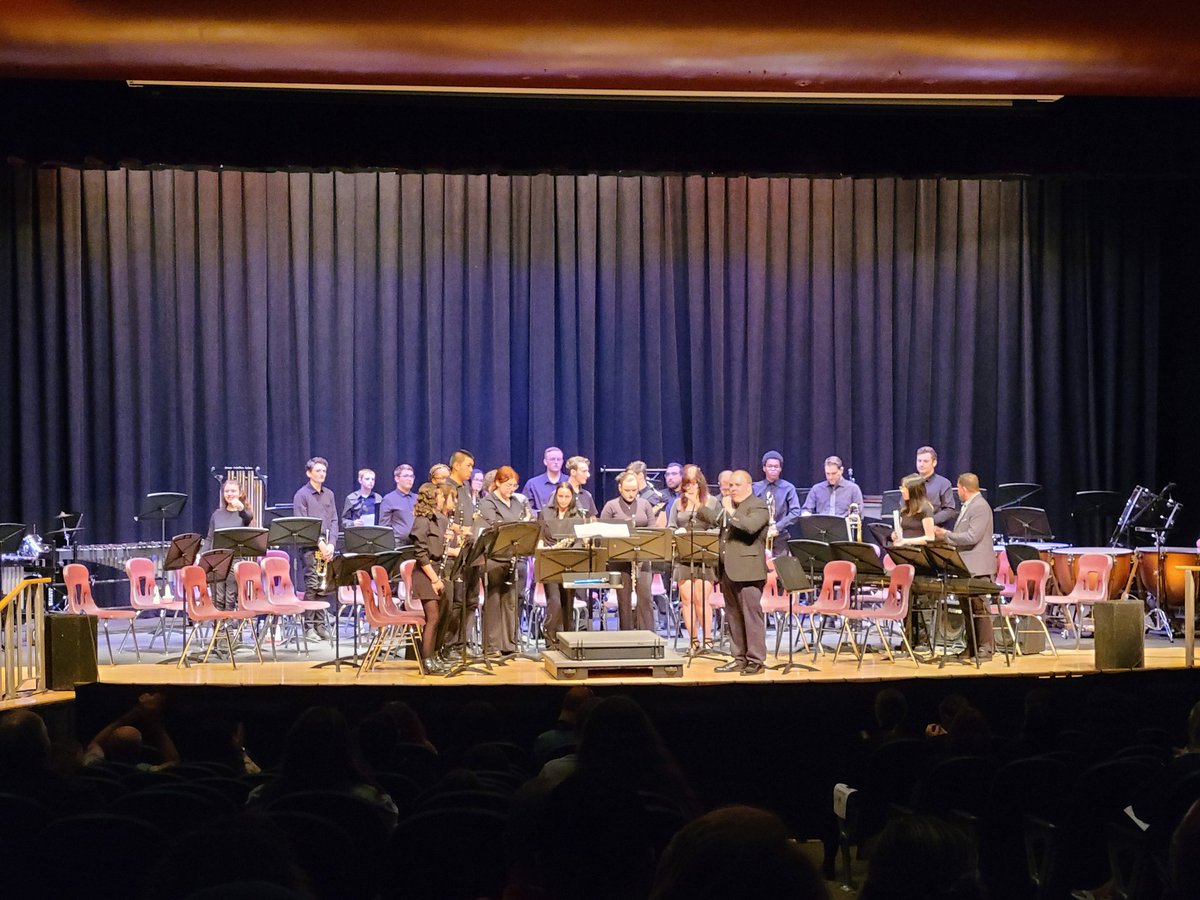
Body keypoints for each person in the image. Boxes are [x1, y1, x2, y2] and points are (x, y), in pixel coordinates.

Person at [934, 472, 997, 661]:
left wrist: (945, 534)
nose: (957, 492)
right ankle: (971, 647)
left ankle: (986, 648)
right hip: (965, 566)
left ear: (962, 488)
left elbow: (972, 537)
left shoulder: (980, 506)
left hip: (978, 567)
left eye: (958, 488)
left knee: (979, 608)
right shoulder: (969, 506)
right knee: (967, 608)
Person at [715, 470, 770, 675]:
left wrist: (729, 510)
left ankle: (755, 660)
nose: (732, 489)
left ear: (749, 486)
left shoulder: (758, 506)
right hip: (728, 570)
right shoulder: (731, 508)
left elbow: (749, 527)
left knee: (751, 616)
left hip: (749, 571)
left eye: (737, 485)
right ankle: (738, 658)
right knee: (733, 616)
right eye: (730, 486)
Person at [477, 465, 532, 657]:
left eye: (515, 485)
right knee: (493, 601)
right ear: (498, 483)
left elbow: (525, 523)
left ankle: (509, 644)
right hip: (494, 559)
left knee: (511, 602)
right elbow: (493, 527)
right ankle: (492, 646)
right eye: (508, 485)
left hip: (514, 558)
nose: (512, 489)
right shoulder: (488, 502)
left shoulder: (517, 502)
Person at [668, 464, 720, 654]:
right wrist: (677, 533)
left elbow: (718, 526)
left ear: (700, 483)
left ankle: (708, 640)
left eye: (693, 483)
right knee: (687, 600)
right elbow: (671, 526)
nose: (689, 487)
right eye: (686, 483)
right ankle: (694, 641)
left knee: (701, 599)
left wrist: (706, 536)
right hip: (683, 555)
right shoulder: (677, 503)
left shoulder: (712, 502)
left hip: (704, 555)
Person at [410, 481, 458, 674]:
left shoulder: (439, 520)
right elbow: (420, 554)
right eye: (439, 495)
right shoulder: (421, 521)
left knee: (442, 616)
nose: (442, 498)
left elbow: (439, 547)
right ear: (431, 497)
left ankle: (436, 654)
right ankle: (426, 661)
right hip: (425, 574)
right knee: (433, 617)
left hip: (439, 570)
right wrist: (435, 580)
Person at [600, 470, 658, 630]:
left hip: (642, 556)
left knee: (645, 596)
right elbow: (602, 532)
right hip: (620, 558)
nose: (631, 494)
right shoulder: (611, 506)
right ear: (620, 488)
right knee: (623, 599)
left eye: (634, 490)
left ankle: (647, 633)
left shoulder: (645, 504)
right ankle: (626, 634)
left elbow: (653, 529)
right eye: (627, 490)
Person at [437, 449, 481, 655]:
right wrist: (458, 530)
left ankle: (464, 643)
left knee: (471, 601)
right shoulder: (447, 488)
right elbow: (440, 517)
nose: (471, 470)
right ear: (456, 466)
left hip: (470, 552)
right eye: (468, 466)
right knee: (457, 602)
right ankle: (450, 644)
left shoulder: (466, 489)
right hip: (453, 554)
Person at [292, 456, 338, 640]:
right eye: (318, 471)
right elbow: (303, 524)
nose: (322, 474)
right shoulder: (301, 495)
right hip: (311, 548)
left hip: (327, 547)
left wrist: (332, 544)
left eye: (324, 471)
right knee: (311, 586)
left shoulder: (329, 494)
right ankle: (308, 628)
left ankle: (320, 626)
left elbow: (334, 520)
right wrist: (321, 544)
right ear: (309, 473)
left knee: (323, 586)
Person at [538, 481, 588, 642]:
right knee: (555, 600)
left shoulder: (577, 517)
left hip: (569, 563)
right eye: (560, 496)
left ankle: (566, 639)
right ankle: (550, 636)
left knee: (568, 602)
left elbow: (579, 542)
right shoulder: (545, 513)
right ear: (555, 496)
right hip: (549, 561)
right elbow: (539, 537)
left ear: (572, 497)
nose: (563, 500)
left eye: (567, 496)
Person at [205, 478, 255, 612]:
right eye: (226, 491)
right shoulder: (217, 514)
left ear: (239, 493)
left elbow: (248, 518)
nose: (229, 494)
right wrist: (201, 556)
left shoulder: (244, 514)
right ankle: (219, 629)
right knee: (218, 597)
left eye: (233, 491)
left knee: (230, 597)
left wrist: (241, 508)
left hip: (235, 560)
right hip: (217, 561)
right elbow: (210, 538)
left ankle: (230, 628)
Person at [753, 451, 801, 555]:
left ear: (780, 469)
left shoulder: (788, 488)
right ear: (764, 468)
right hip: (759, 537)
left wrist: (777, 527)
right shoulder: (755, 488)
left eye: (776, 466)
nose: (773, 469)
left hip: (780, 537)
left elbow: (796, 512)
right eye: (770, 466)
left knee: (779, 568)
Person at [915, 445, 957, 526]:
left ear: (934, 463)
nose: (921, 464)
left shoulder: (944, 483)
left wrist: (930, 521)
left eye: (925, 461)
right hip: (911, 530)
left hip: (934, 529)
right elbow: (902, 506)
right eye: (919, 461)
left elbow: (949, 509)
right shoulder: (910, 482)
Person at [892, 473, 937, 545]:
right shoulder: (904, 508)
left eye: (904, 488)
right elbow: (901, 529)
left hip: (918, 551)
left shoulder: (925, 509)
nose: (902, 491)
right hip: (904, 549)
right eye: (901, 488)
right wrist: (895, 534)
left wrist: (905, 541)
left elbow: (930, 537)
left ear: (913, 491)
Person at [379, 464, 417, 545]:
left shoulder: (417, 498)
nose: (409, 479)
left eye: (411, 476)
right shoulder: (389, 499)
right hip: (398, 545)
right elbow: (384, 527)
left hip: (417, 544)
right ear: (397, 478)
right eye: (406, 476)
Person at [522, 446, 568, 512]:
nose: (556, 462)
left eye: (559, 459)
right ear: (545, 462)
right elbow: (526, 509)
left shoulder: (569, 481)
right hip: (541, 521)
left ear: (562, 461)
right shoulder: (533, 484)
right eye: (552, 459)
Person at [628, 460, 667, 524]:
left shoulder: (654, 497)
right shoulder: (630, 494)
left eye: (631, 475)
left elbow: (657, 523)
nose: (628, 479)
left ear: (640, 475)